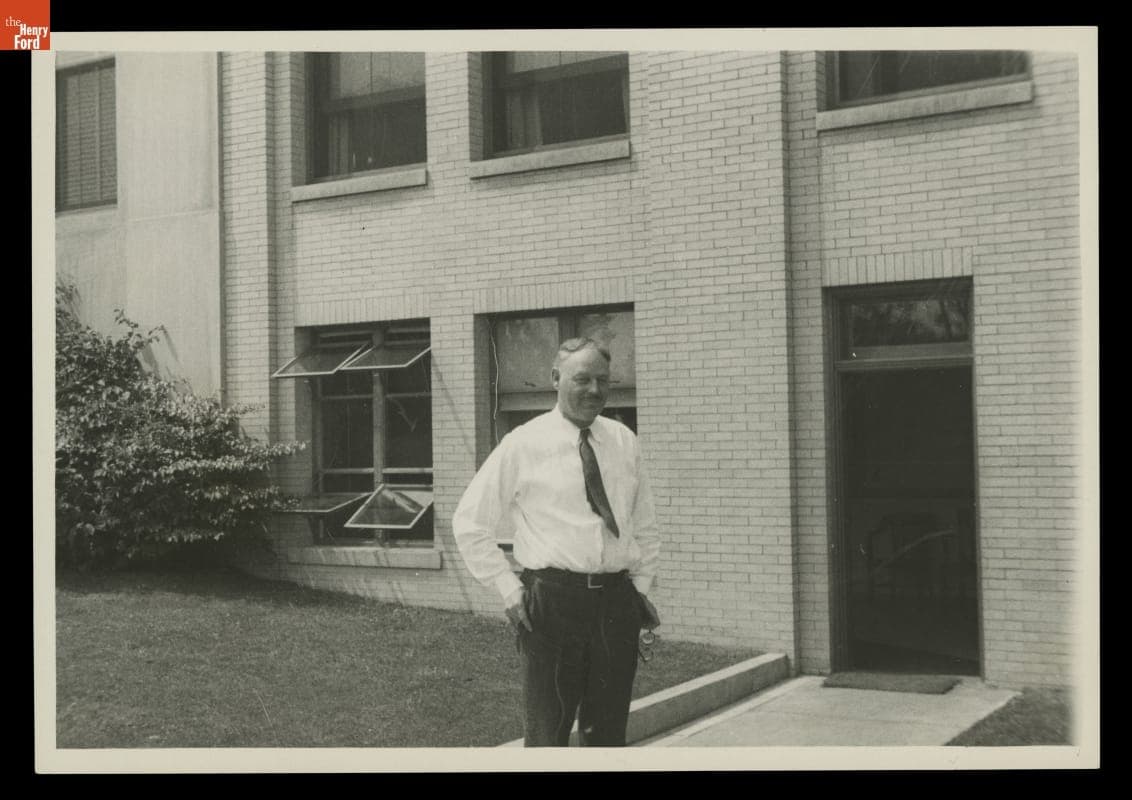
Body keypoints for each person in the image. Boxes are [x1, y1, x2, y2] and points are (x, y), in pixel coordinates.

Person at [452, 337, 661, 747]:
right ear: (555, 379)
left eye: (603, 380)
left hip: (616, 603)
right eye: (581, 379)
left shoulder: (623, 441)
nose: (595, 390)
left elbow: (645, 525)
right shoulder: (523, 444)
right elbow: (470, 522)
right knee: (548, 733)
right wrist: (509, 590)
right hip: (551, 604)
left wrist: (638, 591)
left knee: (608, 734)